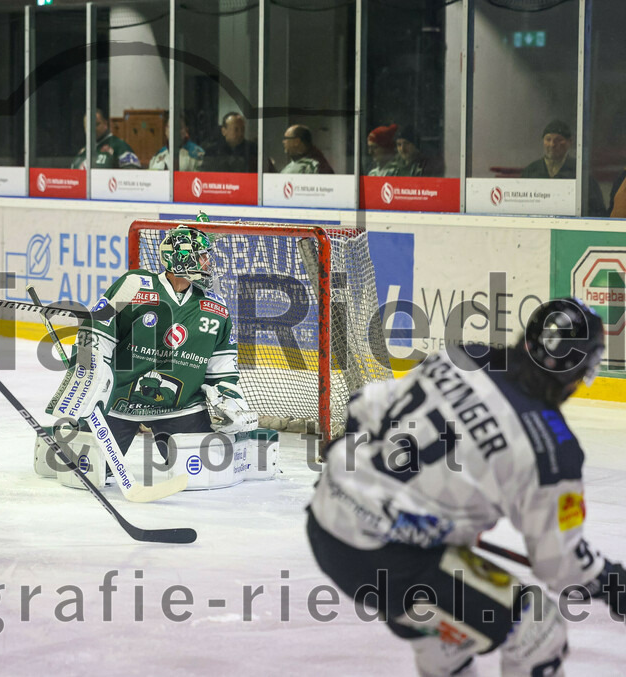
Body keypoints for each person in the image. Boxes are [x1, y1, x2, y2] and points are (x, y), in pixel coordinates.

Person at [307, 297, 625, 677]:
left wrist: (351, 473)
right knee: (539, 628)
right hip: (385, 560)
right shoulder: (551, 449)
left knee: (446, 635)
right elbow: (559, 563)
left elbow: (366, 403)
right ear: (579, 373)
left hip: (326, 514)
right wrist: (612, 581)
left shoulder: (464, 355)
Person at [45, 224, 258, 462]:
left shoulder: (216, 307)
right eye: (201, 256)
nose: (207, 263)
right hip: (119, 403)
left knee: (207, 471)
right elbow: (96, 332)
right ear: (181, 258)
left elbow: (222, 371)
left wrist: (230, 401)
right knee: (86, 469)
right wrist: (89, 375)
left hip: (182, 407)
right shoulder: (134, 285)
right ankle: (67, 438)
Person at [521, 119, 605, 216]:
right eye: (548, 139)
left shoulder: (579, 172)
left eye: (558, 140)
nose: (552, 144)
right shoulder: (530, 171)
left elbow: (597, 211)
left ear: (569, 142)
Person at [71, 109, 141, 170]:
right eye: (88, 126)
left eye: (96, 124)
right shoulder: (83, 151)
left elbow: (132, 173)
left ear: (105, 124)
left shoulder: (120, 146)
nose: (92, 129)